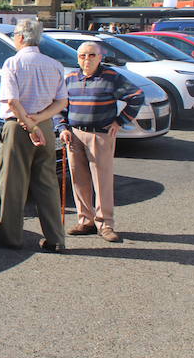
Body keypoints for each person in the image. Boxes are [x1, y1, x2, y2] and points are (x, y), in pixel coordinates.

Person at [0, 19, 69, 253]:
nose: (14, 38)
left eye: (15, 34)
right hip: (44, 125)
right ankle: (56, 238)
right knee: (47, 184)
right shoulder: (54, 64)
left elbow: (13, 101)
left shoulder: (13, 63)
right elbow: (62, 101)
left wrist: (29, 124)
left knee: (13, 184)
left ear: (22, 37)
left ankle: (11, 237)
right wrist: (39, 120)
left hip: (18, 127)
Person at [57, 41, 144, 243]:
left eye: (91, 55)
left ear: (100, 57)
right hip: (75, 134)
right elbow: (61, 105)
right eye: (82, 56)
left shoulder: (111, 77)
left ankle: (105, 224)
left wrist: (120, 121)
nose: (86, 60)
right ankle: (85, 220)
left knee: (102, 181)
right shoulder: (70, 78)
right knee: (78, 179)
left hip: (100, 134)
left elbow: (136, 96)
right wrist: (62, 128)